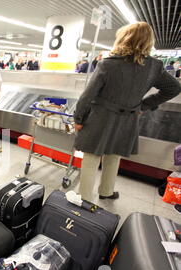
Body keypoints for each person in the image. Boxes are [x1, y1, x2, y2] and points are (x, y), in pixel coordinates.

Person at [74, 22, 181, 203]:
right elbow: (174, 88)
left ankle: (84, 198)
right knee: (114, 155)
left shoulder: (108, 64)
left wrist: (78, 117)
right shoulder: (154, 66)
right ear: (148, 41)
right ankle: (106, 191)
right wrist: (144, 106)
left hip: (100, 117)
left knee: (91, 156)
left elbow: (88, 95)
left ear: (124, 38)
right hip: (128, 119)